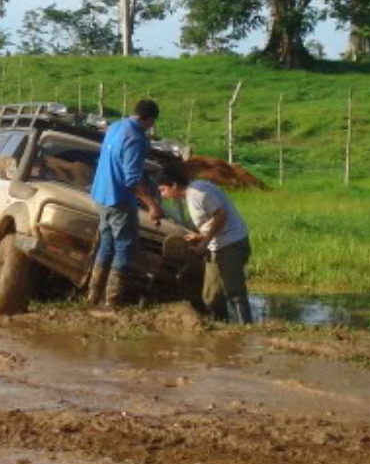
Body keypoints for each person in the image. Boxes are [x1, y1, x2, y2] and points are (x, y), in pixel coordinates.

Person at [86, 98, 164, 307]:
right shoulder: (136, 138)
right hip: (119, 198)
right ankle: (112, 301)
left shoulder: (115, 127)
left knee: (107, 244)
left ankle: (93, 297)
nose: (151, 128)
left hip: (101, 194)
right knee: (124, 247)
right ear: (148, 119)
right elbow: (131, 179)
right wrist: (152, 205)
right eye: (152, 123)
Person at [157, 163, 253, 324]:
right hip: (218, 244)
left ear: (174, 185)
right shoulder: (191, 196)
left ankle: (246, 328)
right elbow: (211, 221)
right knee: (211, 296)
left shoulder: (197, 193)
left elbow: (221, 215)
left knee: (234, 291)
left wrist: (204, 242)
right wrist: (200, 236)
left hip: (232, 243)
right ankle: (223, 329)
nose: (163, 195)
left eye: (163, 190)